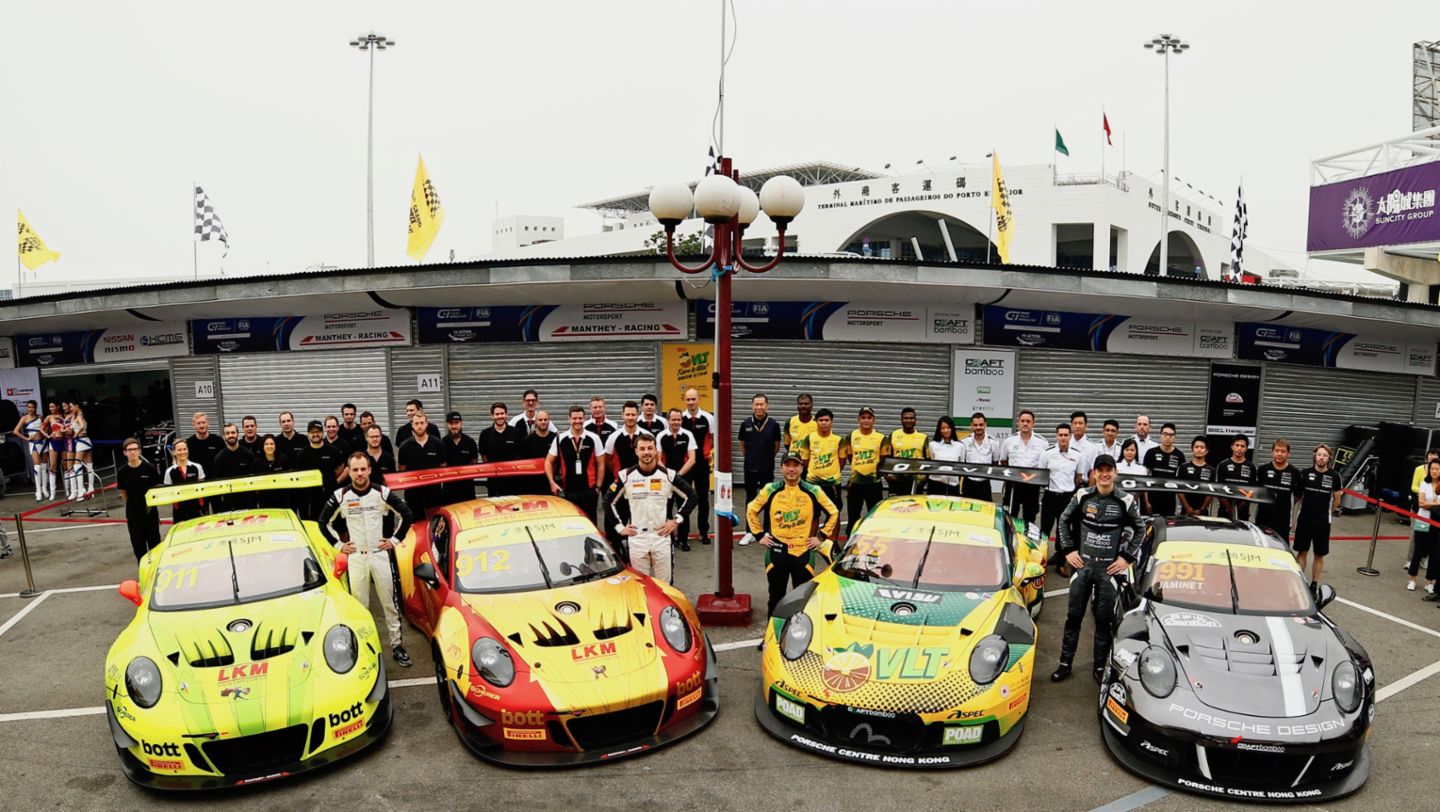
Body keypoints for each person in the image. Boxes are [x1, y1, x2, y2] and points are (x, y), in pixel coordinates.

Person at [1051, 454, 1143, 683]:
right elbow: (1063, 520)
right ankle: (1065, 663)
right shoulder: (1083, 496)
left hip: (1108, 572)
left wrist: (1126, 558)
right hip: (1082, 568)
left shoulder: (1126, 500)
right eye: (1099, 470)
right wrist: (1068, 551)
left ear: (1115, 473)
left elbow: (1141, 529)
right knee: (1073, 617)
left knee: (1103, 621)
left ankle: (1100, 667)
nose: (1104, 474)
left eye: (1108, 470)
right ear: (1093, 473)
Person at [319, 453, 415, 667]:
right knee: (360, 607)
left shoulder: (382, 492)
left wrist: (394, 540)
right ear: (349, 472)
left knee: (389, 604)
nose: (360, 473)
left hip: (379, 555)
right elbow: (323, 522)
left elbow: (407, 514)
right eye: (355, 470)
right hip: (356, 558)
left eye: (363, 469)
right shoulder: (340, 495)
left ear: (370, 470)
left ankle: (397, 646)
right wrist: (339, 546)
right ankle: (363, 647)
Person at [747, 451, 839, 617]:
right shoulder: (770, 489)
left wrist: (821, 537)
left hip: (803, 552)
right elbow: (751, 509)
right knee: (775, 597)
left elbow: (834, 512)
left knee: (803, 600)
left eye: (795, 465)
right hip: (777, 551)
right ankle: (772, 638)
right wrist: (759, 535)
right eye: (787, 465)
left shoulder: (813, 490)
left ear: (801, 468)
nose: (791, 469)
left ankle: (800, 638)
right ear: (781, 468)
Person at [605, 435, 697, 582]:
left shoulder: (668, 475)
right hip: (637, 538)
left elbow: (692, 496)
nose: (646, 452)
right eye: (642, 449)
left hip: (661, 537)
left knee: (665, 585)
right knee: (641, 586)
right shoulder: (625, 476)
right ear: (636, 452)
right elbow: (607, 501)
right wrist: (619, 527)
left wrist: (676, 520)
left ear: (656, 451)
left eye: (650, 448)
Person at [1294, 444, 1342, 589]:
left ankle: (1314, 583)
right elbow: (1298, 495)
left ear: (1329, 459)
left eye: (1325, 455)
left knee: (1319, 554)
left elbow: (1337, 500)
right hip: (1305, 519)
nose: (1321, 458)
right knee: (1302, 551)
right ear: (1315, 456)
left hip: (1322, 522)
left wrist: (1328, 512)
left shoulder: (1334, 476)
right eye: (1319, 454)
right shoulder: (1305, 473)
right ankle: (1298, 580)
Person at [546, 406, 605, 521]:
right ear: (569, 419)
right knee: (571, 521)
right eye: (574, 418)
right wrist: (552, 482)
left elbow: (601, 464)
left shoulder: (594, 438)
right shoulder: (560, 439)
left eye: (580, 418)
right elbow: (548, 461)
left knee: (591, 522)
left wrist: (598, 486)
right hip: (569, 490)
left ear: (584, 419)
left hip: (589, 490)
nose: (577, 421)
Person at [657, 408, 698, 550]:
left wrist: (678, 476)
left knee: (684, 508)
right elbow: (658, 459)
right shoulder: (661, 436)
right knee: (666, 509)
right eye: (673, 419)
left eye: (678, 419)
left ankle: (683, 539)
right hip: (665, 479)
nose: (676, 422)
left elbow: (692, 459)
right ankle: (668, 538)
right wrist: (668, 475)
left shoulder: (688, 435)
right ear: (668, 420)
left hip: (683, 478)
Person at [116, 437, 162, 560]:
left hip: (150, 516)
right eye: (129, 450)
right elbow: (124, 492)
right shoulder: (122, 472)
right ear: (124, 452)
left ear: (139, 451)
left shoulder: (149, 468)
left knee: (155, 549)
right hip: (134, 518)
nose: (133, 452)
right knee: (139, 551)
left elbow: (157, 489)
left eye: (135, 449)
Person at [844, 406, 890, 528]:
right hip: (856, 483)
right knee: (853, 517)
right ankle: (851, 542)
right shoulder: (851, 436)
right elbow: (850, 456)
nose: (866, 420)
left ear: (874, 420)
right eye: (863, 417)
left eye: (869, 418)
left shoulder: (881, 437)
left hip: (874, 483)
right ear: (858, 419)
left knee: (874, 516)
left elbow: (883, 459)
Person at [680, 388, 715, 545]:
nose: (691, 403)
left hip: (701, 463)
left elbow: (712, 439)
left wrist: (704, 455)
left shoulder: (708, 418)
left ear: (698, 399)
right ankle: (684, 534)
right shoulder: (680, 418)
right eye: (688, 400)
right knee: (685, 498)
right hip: (686, 464)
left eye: (693, 399)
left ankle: (704, 532)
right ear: (684, 400)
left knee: (703, 499)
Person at [396, 410, 446, 518]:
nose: (419, 426)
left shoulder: (438, 444)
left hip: (434, 493)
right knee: (416, 525)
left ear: (427, 424)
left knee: (435, 523)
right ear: (412, 425)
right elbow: (402, 470)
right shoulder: (404, 447)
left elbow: (443, 466)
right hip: (413, 495)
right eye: (417, 423)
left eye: (422, 423)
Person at [1039, 424, 1082, 546]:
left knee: (1063, 529)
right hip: (1050, 496)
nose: (1063, 438)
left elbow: (1078, 477)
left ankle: (1060, 561)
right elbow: (1042, 475)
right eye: (1060, 435)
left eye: (1066, 435)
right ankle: (1042, 556)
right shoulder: (1047, 453)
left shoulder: (1077, 455)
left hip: (1067, 497)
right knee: (1045, 528)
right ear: (1056, 436)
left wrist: (1068, 488)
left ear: (1070, 436)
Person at [1001, 409, 1047, 523]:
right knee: (1010, 515)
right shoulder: (1009, 441)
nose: (1025, 423)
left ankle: (1027, 538)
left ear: (1033, 423)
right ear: (1018, 423)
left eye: (1028, 421)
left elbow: (1044, 464)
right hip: (1013, 485)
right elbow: (1003, 460)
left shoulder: (1042, 442)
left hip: (1032, 484)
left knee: (1030, 516)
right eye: (1022, 421)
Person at [738, 393, 783, 509]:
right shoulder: (745, 424)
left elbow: (776, 446)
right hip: (749, 468)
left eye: (761, 404)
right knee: (750, 499)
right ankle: (750, 527)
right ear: (752, 406)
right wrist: (750, 456)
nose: (759, 407)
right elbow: (742, 445)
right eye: (756, 404)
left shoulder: (774, 425)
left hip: (767, 468)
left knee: (768, 499)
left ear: (767, 406)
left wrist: (766, 457)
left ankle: (767, 527)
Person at [800, 408, 845, 522]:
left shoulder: (838, 439)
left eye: (826, 420)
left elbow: (842, 460)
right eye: (821, 420)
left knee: (833, 512)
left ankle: (831, 539)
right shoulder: (809, 439)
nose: (824, 423)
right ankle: (811, 537)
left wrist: (830, 472)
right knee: (813, 513)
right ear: (816, 422)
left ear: (831, 422)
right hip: (813, 483)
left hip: (832, 483)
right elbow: (805, 460)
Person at [296, 420, 347, 521]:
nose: (315, 434)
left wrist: (330, 480)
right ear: (308, 434)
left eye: (318, 432)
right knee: (313, 525)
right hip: (310, 500)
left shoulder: (333, 451)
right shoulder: (302, 454)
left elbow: (340, 466)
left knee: (337, 525)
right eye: (312, 432)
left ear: (322, 433)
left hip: (330, 496)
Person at [1255, 438, 1298, 543]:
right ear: (1272, 452)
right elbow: (1257, 491)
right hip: (1263, 518)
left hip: (1283, 520)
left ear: (1288, 454)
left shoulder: (1294, 473)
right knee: (1262, 546)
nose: (1280, 454)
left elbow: (1297, 496)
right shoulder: (1262, 469)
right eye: (1277, 450)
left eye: (1283, 451)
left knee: (1281, 549)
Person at [478, 403, 525, 497]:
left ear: (506, 414)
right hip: (493, 480)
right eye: (497, 414)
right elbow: (484, 456)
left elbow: (520, 454)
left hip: (512, 480)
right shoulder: (485, 434)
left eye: (502, 413)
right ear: (492, 416)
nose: (500, 416)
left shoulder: (515, 432)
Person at [1407, 460, 1440, 596]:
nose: (1434, 471)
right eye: (1432, 468)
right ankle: (1412, 579)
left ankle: (1429, 582)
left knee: (1434, 553)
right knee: (1418, 550)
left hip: (1436, 522)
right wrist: (1435, 503)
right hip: (1422, 520)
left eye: (1437, 469)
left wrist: (1428, 503)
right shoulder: (1424, 484)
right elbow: (1421, 504)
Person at [1142, 423, 1186, 516]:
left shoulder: (1179, 455)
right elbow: (1145, 478)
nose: (1167, 437)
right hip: (1152, 498)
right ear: (1160, 435)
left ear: (1174, 437)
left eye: (1171, 435)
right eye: (1165, 434)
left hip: (1170, 500)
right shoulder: (1151, 453)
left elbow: (1181, 482)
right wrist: (1146, 501)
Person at [435, 411, 479, 504]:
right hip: (449, 490)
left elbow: (474, 463)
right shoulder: (442, 443)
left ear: (461, 423)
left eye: (456, 423)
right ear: (447, 425)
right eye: (451, 423)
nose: (454, 426)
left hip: (467, 489)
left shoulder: (470, 442)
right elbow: (440, 466)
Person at [210, 423, 255, 511]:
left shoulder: (248, 455)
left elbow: (253, 478)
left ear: (238, 434)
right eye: (227, 433)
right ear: (224, 436)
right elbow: (218, 482)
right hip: (229, 503)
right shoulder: (219, 458)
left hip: (248, 501)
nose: (231, 435)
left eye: (233, 432)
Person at [604, 401, 653, 482]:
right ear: (622, 415)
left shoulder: (648, 435)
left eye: (633, 415)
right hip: (621, 481)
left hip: (643, 480)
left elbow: (653, 457)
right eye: (627, 414)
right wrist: (617, 472)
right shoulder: (613, 437)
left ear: (638, 415)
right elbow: (607, 460)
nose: (630, 418)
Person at [958, 412, 1002, 501]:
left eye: (981, 425)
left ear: (985, 424)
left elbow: (995, 462)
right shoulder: (964, 442)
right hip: (968, 483)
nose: (978, 427)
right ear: (971, 425)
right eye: (975, 425)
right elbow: (962, 462)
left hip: (984, 484)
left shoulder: (994, 443)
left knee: (985, 512)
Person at [162, 438, 207, 523]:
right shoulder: (169, 471)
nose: (183, 452)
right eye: (179, 450)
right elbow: (168, 492)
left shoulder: (197, 467)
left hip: (196, 509)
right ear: (174, 452)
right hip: (179, 511)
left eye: (184, 449)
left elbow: (202, 489)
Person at [13, 400, 50, 502]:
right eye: (28, 407)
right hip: (33, 444)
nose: (30, 409)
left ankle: (44, 489)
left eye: (32, 407)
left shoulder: (40, 417)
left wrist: (44, 433)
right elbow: (15, 431)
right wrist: (27, 438)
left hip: (43, 443)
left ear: (36, 407)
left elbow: (46, 429)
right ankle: (38, 491)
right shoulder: (24, 418)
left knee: (44, 467)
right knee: (37, 467)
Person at [888, 407, 930, 495]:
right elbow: (886, 460)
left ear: (915, 420)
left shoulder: (923, 437)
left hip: (916, 483)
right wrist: (890, 479)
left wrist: (922, 482)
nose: (908, 420)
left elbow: (929, 462)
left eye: (911, 418)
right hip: (897, 482)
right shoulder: (893, 435)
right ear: (901, 420)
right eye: (906, 418)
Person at [1215, 435, 1257, 521]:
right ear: (1232, 447)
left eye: (1242, 446)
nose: (1239, 448)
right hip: (1224, 511)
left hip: (1243, 512)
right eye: (1237, 445)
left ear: (1246, 448)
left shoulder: (1251, 467)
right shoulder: (1223, 465)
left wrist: (1239, 508)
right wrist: (1228, 508)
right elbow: (1218, 488)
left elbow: (1252, 490)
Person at [515, 410, 556, 494]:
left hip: (550, 482)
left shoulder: (555, 439)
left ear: (549, 421)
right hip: (531, 485)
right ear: (535, 422)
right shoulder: (526, 440)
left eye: (545, 419)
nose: (543, 422)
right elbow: (522, 464)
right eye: (540, 420)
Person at [1179, 436, 1216, 517]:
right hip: (1185, 511)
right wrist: (1187, 508)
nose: (1199, 449)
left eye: (1202, 447)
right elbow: (1179, 491)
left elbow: (1210, 493)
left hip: (1203, 512)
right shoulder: (1183, 467)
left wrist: (1202, 509)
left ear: (1206, 451)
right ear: (1192, 449)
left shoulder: (1212, 470)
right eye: (1196, 447)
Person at [926, 416, 962, 497]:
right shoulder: (933, 445)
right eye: (943, 428)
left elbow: (961, 467)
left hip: (953, 486)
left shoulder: (960, 446)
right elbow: (931, 464)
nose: (946, 430)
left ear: (952, 428)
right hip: (935, 484)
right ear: (939, 430)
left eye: (948, 428)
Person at [254, 434, 292, 510]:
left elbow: (290, 480)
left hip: (282, 501)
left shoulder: (284, 460)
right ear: (262, 446)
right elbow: (255, 485)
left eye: (272, 444)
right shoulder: (257, 463)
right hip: (264, 502)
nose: (269, 446)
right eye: (266, 444)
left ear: (276, 445)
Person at [185, 411, 225, 480]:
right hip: (196, 482)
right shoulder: (189, 443)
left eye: (203, 422)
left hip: (216, 480)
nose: (201, 425)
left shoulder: (218, 441)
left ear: (208, 423)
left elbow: (224, 461)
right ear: (194, 425)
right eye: (198, 423)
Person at [70, 403, 96, 500]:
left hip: (81, 442)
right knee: (89, 466)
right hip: (86, 441)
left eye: (72, 406)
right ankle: (91, 489)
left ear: (77, 406)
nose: (71, 408)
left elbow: (81, 426)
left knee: (77, 465)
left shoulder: (80, 415)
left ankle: (81, 491)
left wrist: (75, 434)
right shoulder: (79, 414)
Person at [1090, 419, 1123, 485]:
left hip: (1117, 483)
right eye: (1107, 430)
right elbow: (1092, 470)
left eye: (1113, 431)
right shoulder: (1095, 447)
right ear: (1103, 431)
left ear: (1117, 433)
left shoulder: (1121, 448)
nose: (1110, 433)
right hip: (1099, 482)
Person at [1069, 411, 1097, 486]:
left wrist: (1089, 491)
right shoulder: (1065, 443)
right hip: (1066, 485)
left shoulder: (1092, 447)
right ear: (1071, 426)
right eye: (1075, 423)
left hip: (1083, 485)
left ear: (1086, 426)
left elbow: (1093, 471)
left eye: (1080, 423)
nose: (1077, 426)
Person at [42, 401, 63, 501]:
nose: (51, 408)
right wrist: (47, 435)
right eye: (50, 407)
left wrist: (61, 419)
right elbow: (41, 429)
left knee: (66, 465)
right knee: (53, 465)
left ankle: (69, 490)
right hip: (53, 442)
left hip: (64, 441)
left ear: (58, 406)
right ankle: (53, 493)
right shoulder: (49, 417)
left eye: (53, 406)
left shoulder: (63, 416)